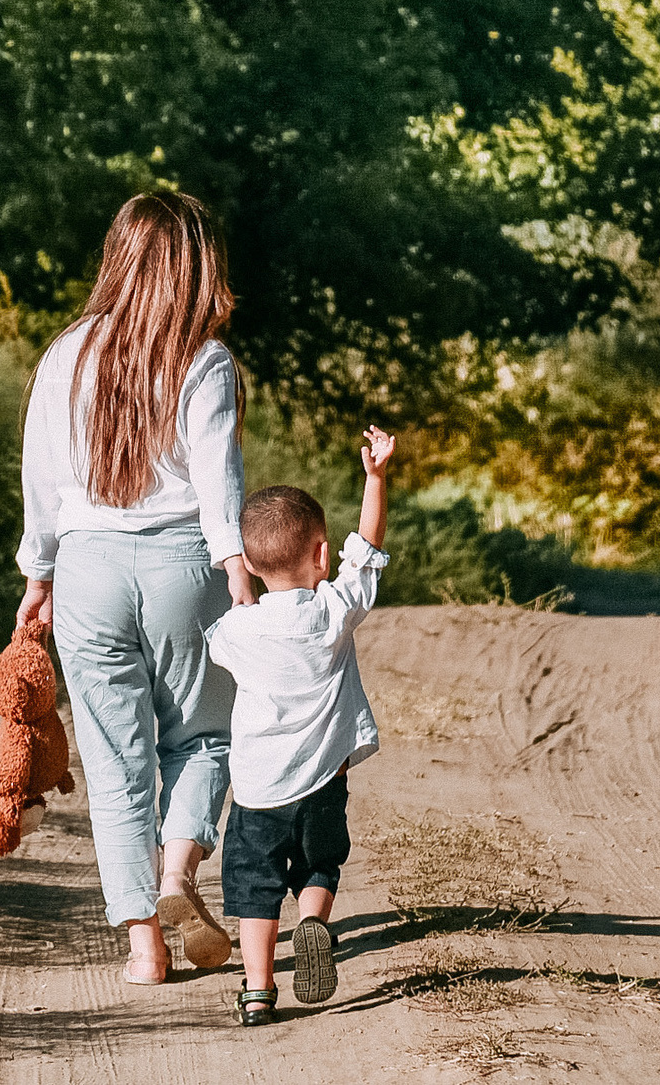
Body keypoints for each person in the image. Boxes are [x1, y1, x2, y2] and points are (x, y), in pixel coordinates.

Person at [14, 191, 254, 984]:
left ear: (117, 254)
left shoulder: (65, 354)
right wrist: (238, 574)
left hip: (87, 567)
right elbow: (219, 484)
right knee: (208, 737)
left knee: (118, 760)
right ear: (194, 266)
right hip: (184, 564)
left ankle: (144, 947)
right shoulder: (203, 357)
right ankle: (179, 868)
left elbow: (42, 481)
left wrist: (39, 573)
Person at [204, 425, 397, 1025]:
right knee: (318, 866)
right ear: (320, 556)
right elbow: (366, 548)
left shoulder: (239, 631)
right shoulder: (334, 612)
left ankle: (258, 990)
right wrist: (375, 477)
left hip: (259, 791)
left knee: (254, 890)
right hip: (322, 784)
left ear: (255, 568)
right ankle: (314, 922)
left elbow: (219, 641)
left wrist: (241, 597)